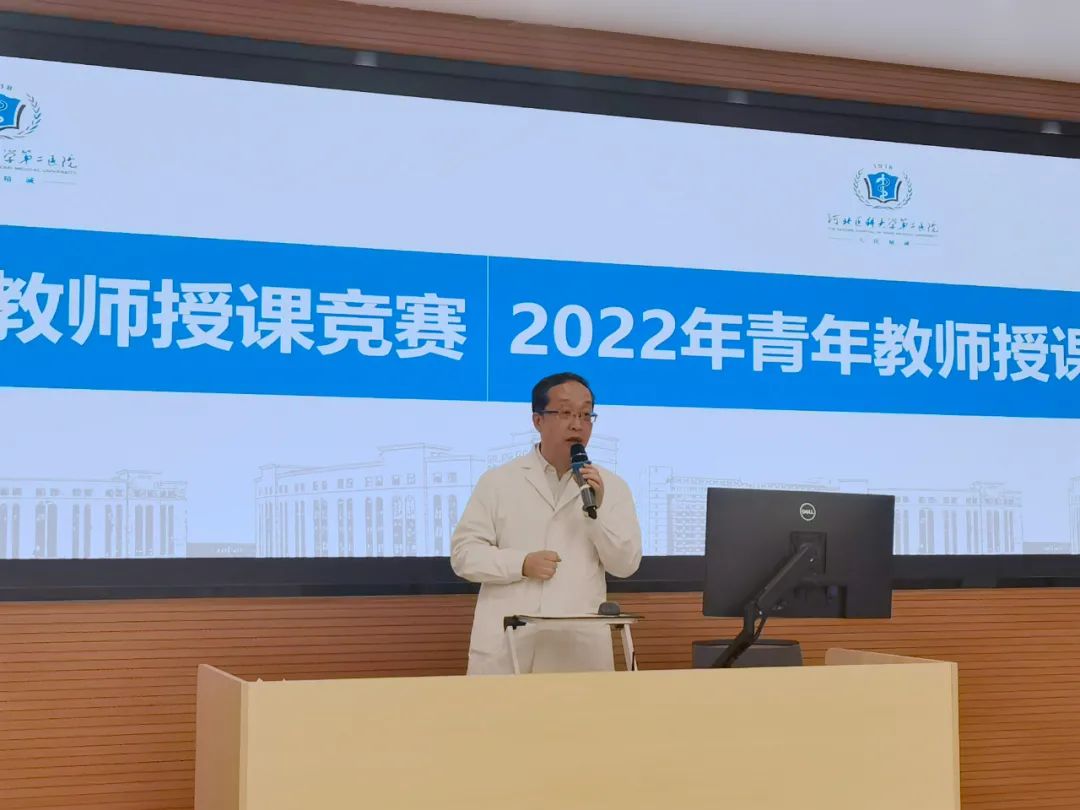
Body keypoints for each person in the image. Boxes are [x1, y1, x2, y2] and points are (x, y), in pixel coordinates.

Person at [450, 372, 642, 675]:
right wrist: (521, 563)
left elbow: (625, 564)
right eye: (565, 412)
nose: (577, 424)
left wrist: (596, 515)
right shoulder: (498, 482)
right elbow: (464, 556)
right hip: (509, 645)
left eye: (586, 414)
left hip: (577, 650)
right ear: (537, 420)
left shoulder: (612, 487)